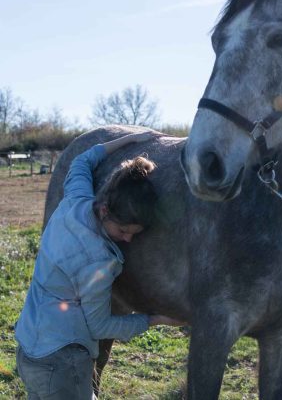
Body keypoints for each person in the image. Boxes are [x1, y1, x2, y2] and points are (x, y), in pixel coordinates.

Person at [15, 132, 183, 400]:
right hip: (62, 362)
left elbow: (83, 160)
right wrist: (155, 320)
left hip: (29, 349)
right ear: (104, 211)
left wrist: (131, 139)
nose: (128, 239)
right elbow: (100, 327)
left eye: (134, 233)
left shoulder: (75, 200)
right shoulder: (98, 262)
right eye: (123, 230)